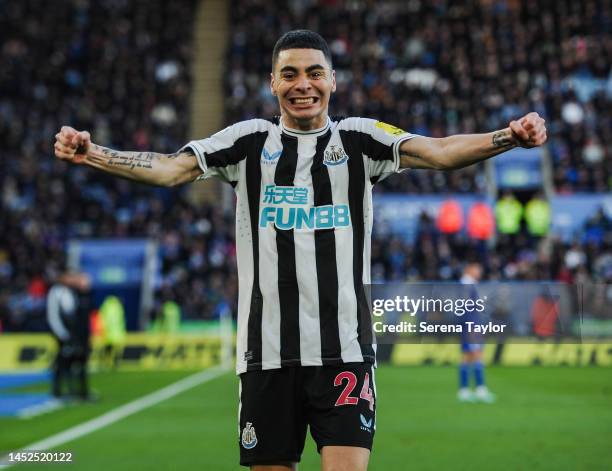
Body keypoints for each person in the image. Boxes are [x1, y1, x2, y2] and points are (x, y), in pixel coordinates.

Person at [54, 29, 546, 471]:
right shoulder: (247, 141)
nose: (302, 84)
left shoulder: (360, 139)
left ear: (332, 80)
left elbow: (439, 152)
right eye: (289, 74)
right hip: (267, 357)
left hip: (345, 353)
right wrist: (94, 153)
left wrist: (509, 136)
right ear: (273, 82)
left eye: (314, 73)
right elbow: (169, 169)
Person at [46, 271, 92, 400]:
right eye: (69, 277)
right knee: (62, 362)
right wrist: (63, 334)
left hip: (74, 335)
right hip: (65, 335)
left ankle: (78, 391)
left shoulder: (73, 292)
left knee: (76, 361)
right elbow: (54, 316)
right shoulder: (56, 292)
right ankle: (58, 391)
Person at [456, 263, 496, 404]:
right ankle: (480, 390)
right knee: (476, 355)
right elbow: (466, 309)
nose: (479, 272)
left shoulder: (466, 284)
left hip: (470, 325)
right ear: (469, 269)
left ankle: (464, 391)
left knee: (467, 356)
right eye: (477, 269)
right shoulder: (467, 285)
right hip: (471, 326)